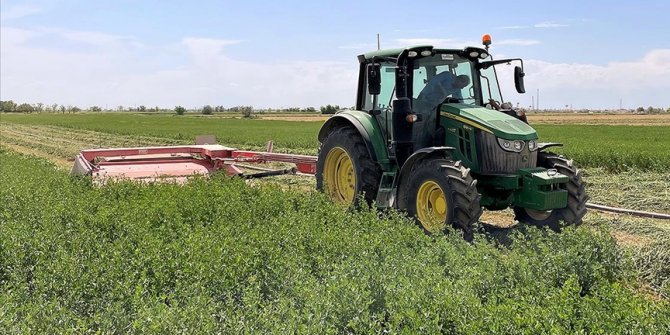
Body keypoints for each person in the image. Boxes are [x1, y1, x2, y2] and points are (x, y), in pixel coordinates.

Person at [412, 72, 470, 148]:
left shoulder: (457, 88)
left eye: (464, 87)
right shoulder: (447, 75)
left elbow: (459, 100)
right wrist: (443, 92)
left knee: (435, 124)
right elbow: (434, 82)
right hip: (424, 100)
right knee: (421, 124)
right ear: (459, 78)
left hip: (435, 105)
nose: (462, 88)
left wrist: (465, 109)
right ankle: (417, 144)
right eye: (463, 85)